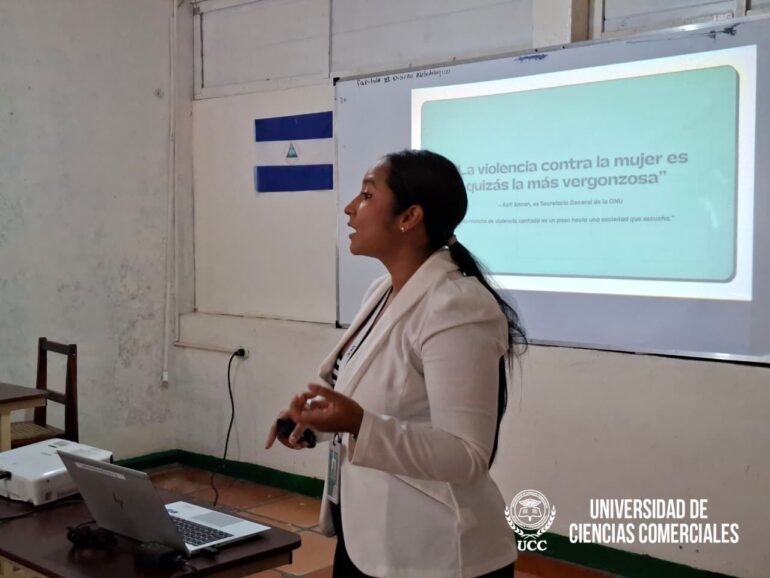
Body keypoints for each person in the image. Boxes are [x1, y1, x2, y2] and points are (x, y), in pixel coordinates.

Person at [266, 149, 527, 578]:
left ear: (409, 217)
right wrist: (314, 423)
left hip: (435, 551)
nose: (351, 207)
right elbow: (375, 398)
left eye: (367, 195)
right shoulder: (382, 291)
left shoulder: (457, 307)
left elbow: (466, 455)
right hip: (367, 536)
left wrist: (358, 424)